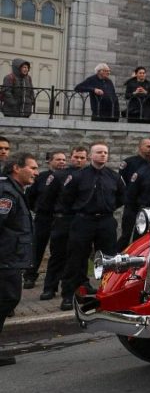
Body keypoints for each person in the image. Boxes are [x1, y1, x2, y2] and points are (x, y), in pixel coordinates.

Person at [58, 142, 125, 310]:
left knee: (109, 258)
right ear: (91, 156)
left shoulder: (114, 176)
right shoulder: (78, 176)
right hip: (83, 220)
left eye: (106, 152)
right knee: (76, 257)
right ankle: (69, 294)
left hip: (106, 221)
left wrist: (107, 208)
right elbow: (66, 198)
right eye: (99, 152)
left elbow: (122, 197)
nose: (103, 155)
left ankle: (109, 292)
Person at [0, 152, 39, 365]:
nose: (36, 172)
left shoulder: (14, 190)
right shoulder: (7, 192)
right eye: (32, 168)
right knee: (7, 299)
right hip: (5, 259)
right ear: (17, 168)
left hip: (10, 258)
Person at [38, 146, 87, 301]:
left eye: (82, 157)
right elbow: (47, 198)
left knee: (79, 256)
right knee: (57, 255)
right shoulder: (59, 175)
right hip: (62, 219)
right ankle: (49, 288)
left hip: (80, 220)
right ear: (70, 157)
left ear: (86, 159)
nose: (79, 160)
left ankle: (79, 286)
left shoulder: (89, 175)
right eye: (76, 157)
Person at [23, 150, 67, 289]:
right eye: (58, 159)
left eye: (63, 160)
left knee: (60, 250)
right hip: (44, 218)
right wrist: (36, 208)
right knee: (37, 248)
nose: (61, 162)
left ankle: (57, 277)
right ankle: (30, 276)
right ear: (49, 161)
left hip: (60, 218)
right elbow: (30, 196)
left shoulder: (68, 177)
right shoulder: (41, 177)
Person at [117, 138, 150, 250]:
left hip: (145, 206)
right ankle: (116, 256)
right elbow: (121, 183)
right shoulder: (129, 162)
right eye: (148, 146)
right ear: (140, 147)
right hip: (131, 205)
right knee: (126, 235)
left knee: (141, 236)